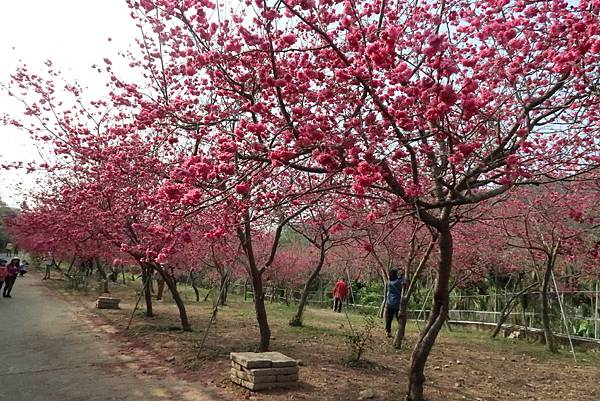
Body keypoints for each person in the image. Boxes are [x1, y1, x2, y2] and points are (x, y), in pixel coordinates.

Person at [385, 268, 405, 337]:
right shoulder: (398, 282)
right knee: (400, 319)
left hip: (389, 302)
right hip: (397, 303)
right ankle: (401, 334)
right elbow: (403, 281)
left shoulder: (389, 282)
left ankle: (388, 331)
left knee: (389, 318)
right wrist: (403, 274)